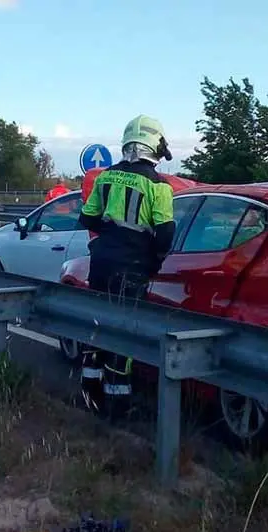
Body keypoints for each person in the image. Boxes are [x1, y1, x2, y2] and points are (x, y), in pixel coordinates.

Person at [77, 115, 175, 416]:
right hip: (132, 267)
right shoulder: (159, 186)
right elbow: (166, 233)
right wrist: (154, 260)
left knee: (97, 326)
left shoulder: (105, 178)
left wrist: (109, 231)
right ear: (154, 146)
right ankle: (118, 406)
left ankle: (89, 395)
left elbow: (87, 218)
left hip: (101, 262)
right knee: (124, 334)